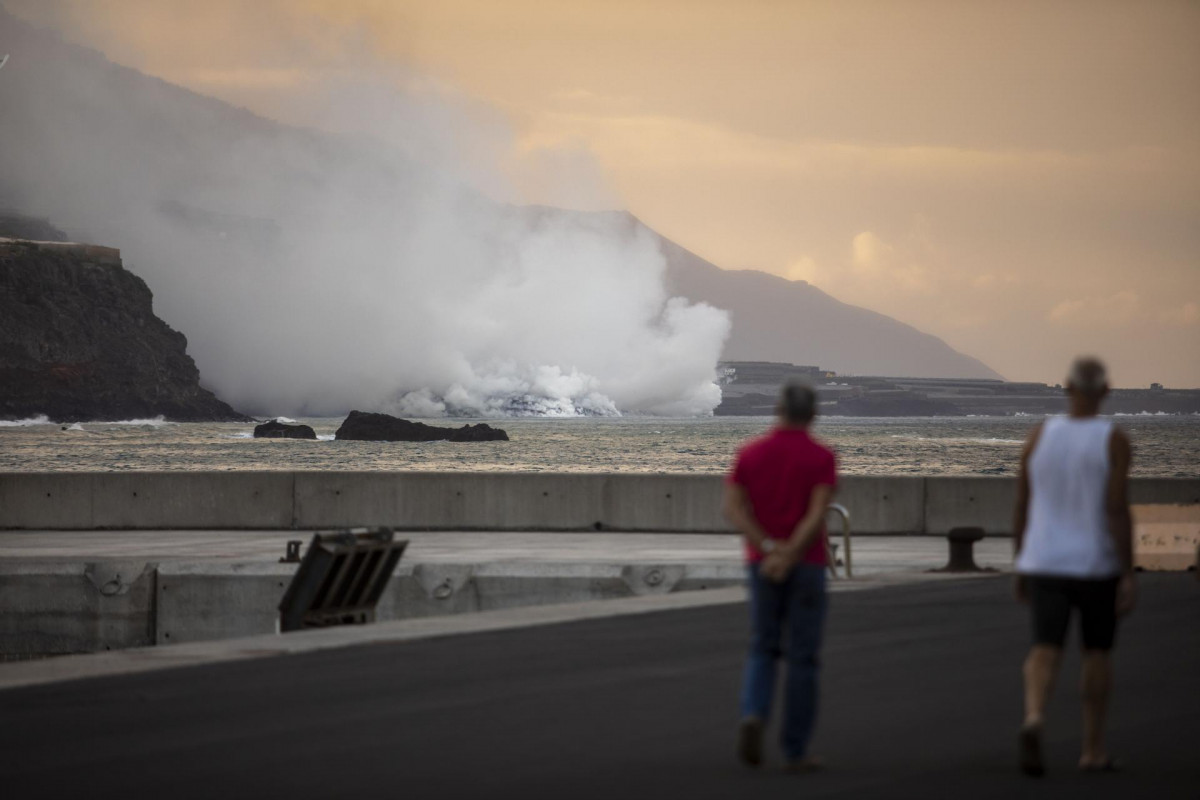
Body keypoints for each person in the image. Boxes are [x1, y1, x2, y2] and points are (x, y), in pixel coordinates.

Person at [1013, 356, 1136, 776]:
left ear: (1066, 387)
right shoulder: (1113, 439)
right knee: (1096, 652)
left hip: (1045, 560)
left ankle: (1034, 716)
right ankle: (1092, 749)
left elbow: (1023, 503)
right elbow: (1117, 509)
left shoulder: (1038, 436)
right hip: (1095, 563)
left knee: (1045, 647)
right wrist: (1127, 570)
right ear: (1104, 391)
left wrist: (1020, 561)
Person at [724, 381, 837, 772]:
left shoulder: (750, 453)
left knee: (762, 646)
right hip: (807, 565)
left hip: (762, 563)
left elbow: (735, 510)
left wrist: (769, 549)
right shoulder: (821, 456)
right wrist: (791, 553)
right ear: (814, 414)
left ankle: (754, 713)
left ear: (778, 409)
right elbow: (817, 512)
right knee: (803, 657)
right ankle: (796, 748)